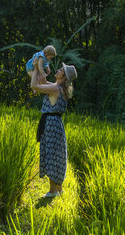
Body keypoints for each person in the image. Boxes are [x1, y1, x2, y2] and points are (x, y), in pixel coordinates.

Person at [31, 61, 77, 198]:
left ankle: (52, 191)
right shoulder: (58, 87)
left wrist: (34, 69)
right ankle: (59, 189)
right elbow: (43, 81)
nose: (58, 70)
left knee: (51, 154)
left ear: (64, 77)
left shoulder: (56, 89)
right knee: (57, 155)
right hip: (56, 123)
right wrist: (42, 70)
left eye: (61, 70)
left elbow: (34, 85)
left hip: (50, 124)